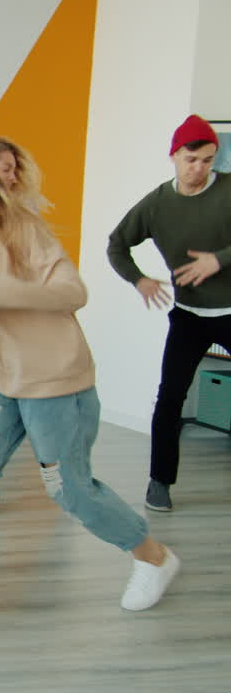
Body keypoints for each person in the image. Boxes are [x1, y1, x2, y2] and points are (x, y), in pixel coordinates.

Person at [0, 143, 178, 619]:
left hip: (55, 380)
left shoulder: (22, 230)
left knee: (67, 489)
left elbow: (73, 292)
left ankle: (153, 558)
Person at [107, 114, 231, 512]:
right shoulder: (158, 204)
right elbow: (117, 244)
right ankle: (159, 482)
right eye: (191, 159)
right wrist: (138, 279)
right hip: (188, 316)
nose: (199, 168)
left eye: (208, 160)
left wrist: (220, 260)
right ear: (174, 156)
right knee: (170, 398)